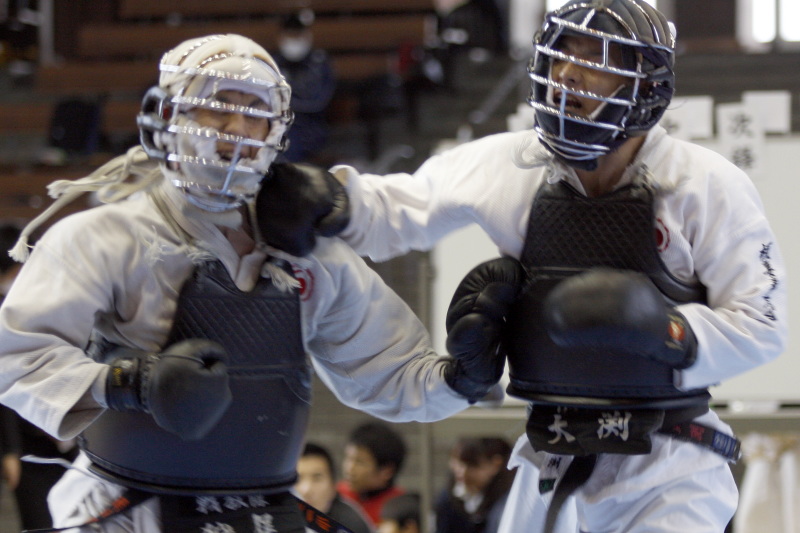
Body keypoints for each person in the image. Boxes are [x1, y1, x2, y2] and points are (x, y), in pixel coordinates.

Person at [268, 0, 788, 531]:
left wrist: (668, 331)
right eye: (561, 55)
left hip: (670, 464)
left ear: (643, 86)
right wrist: (335, 202)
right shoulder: (514, 165)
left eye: (594, 59)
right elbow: (406, 204)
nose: (568, 74)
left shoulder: (705, 184)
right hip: (549, 455)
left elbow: (764, 324)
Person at [0, 34, 518, 532]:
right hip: (126, 507)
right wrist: (124, 384)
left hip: (261, 510)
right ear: (168, 115)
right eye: (218, 106)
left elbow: (386, 368)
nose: (237, 131)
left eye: (255, 114)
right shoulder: (104, 238)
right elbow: (16, 355)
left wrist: (460, 381)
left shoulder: (310, 255)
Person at [0, 224, 81, 530]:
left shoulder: (57, 301)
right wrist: (9, 450)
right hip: (28, 436)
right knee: (39, 519)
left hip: (70, 431)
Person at [273, 9, 336, 164]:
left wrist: (288, 101)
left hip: (313, 128)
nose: (294, 40)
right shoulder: (273, 64)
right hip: (280, 126)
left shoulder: (319, 63)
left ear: (307, 36)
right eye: (290, 34)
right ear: (281, 37)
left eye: (298, 34)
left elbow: (318, 102)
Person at [434, 436, 515, 533]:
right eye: (457, 462)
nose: (462, 472)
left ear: (496, 464)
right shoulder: (448, 499)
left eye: (471, 465)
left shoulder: (508, 500)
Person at [337, 421, 408, 528]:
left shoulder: (401, 510)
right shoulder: (337, 495)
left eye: (359, 462)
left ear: (387, 471)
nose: (349, 469)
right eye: (348, 458)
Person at [295, 442, 374, 533]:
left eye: (317, 479)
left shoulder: (349, 525)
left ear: (333, 485)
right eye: (297, 479)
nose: (306, 489)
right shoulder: (279, 515)